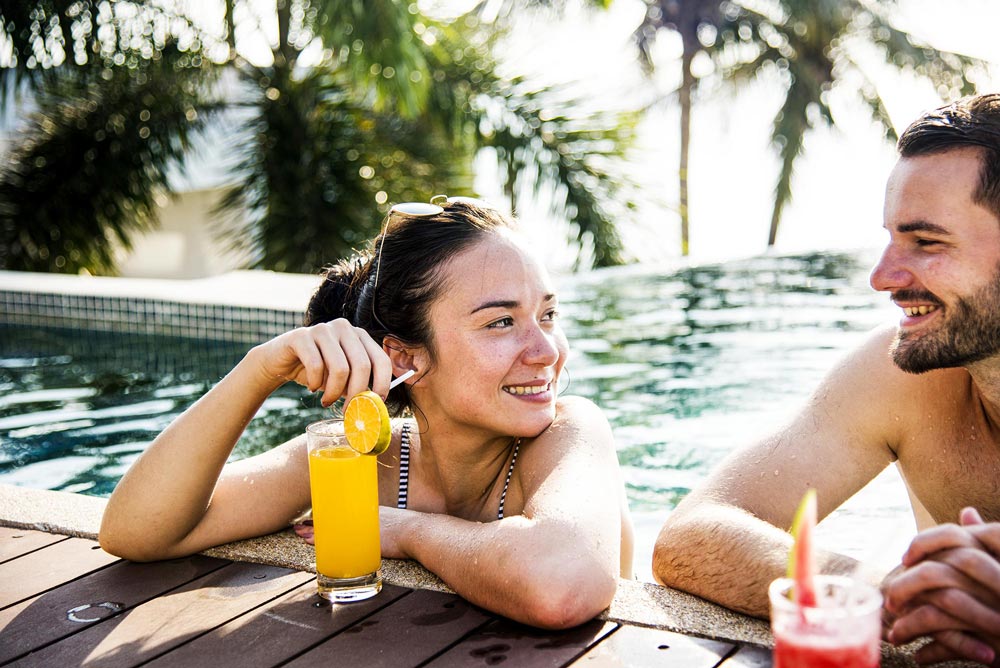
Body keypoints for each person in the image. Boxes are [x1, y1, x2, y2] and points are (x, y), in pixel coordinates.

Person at [99, 197, 635, 630]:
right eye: (500, 322)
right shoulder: (359, 460)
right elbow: (137, 532)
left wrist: (406, 531)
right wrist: (258, 370)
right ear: (406, 358)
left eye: (547, 313)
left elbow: (563, 586)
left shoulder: (569, 432)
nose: (546, 351)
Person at [653, 93, 1000, 666]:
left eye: (927, 242)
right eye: (891, 238)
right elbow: (693, 533)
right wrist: (884, 592)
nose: (882, 277)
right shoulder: (906, 376)